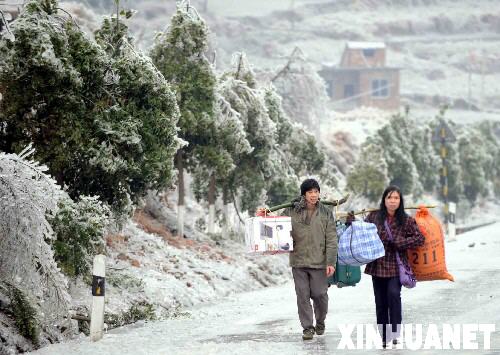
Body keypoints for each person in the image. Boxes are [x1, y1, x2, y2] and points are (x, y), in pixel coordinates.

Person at [258, 178, 337, 340]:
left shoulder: (325, 213)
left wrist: (330, 262)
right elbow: (276, 227)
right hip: (298, 261)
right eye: (310, 192)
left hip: (319, 262)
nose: (314, 195)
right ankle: (307, 328)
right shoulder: (292, 211)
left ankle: (320, 321)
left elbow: (332, 239)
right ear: (304, 194)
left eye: (316, 191)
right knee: (302, 295)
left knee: (320, 295)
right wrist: (264, 216)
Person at [363, 185, 424, 347]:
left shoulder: (406, 219)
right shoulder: (374, 217)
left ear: (400, 201)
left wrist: (400, 242)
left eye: (396, 198)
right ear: (384, 200)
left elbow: (419, 238)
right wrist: (350, 223)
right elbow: (362, 231)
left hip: (396, 265)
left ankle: (395, 331)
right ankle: (384, 336)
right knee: (381, 302)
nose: (392, 201)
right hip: (378, 265)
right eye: (389, 197)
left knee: (393, 295)